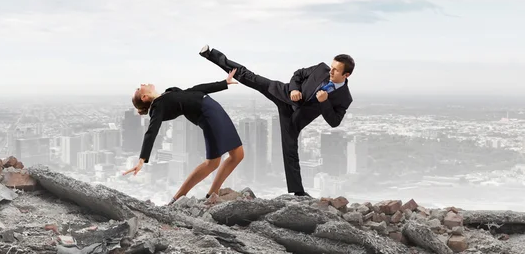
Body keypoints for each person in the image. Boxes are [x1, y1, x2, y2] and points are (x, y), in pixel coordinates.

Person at [199, 45, 354, 197]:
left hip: (294, 119)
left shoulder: (345, 98)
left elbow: (334, 121)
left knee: (290, 151)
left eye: (335, 70)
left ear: (346, 75)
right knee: (250, 77)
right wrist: (294, 89)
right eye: (331, 66)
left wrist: (324, 102)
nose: (330, 71)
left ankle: (298, 192)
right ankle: (212, 55)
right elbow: (298, 74)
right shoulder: (321, 68)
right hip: (283, 93)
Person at [122, 69, 245, 205]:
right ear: (144, 97)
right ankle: (178, 198)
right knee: (212, 163)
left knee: (237, 154)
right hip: (208, 115)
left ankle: (212, 195)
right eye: (140, 88)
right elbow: (151, 131)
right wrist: (142, 159)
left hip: (214, 108)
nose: (142, 84)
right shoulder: (158, 107)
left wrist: (224, 83)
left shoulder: (168, 93)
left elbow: (195, 90)